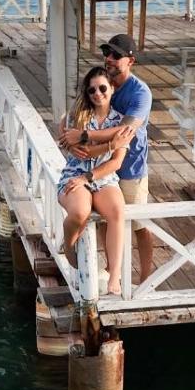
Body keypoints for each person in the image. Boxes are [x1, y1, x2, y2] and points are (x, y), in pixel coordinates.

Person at [59, 33, 154, 282]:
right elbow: (68, 118)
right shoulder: (100, 82)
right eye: (106, 53)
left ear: (130, 61)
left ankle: (146, 279)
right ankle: (113, 271)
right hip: (102, 170)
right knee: (103, 220)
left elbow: (124, 131)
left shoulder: (140, 93)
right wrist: (70, 143)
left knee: (139, 225)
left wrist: (84, 136)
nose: (109, 58)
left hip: (129, 167)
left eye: (116, 55)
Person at [57, 66, 129, 296]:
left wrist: (90, 174)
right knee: (80, 212)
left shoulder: (120, 122)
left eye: (102, 88)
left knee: (117, 211)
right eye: (92, 90)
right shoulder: (79, 116)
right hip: (75, 173)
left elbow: (116, 162)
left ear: (112, 88)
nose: (97, 94)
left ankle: (114, 276)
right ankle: (69, 246)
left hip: (103, 178)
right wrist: (110, 144)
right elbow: (81, 151)